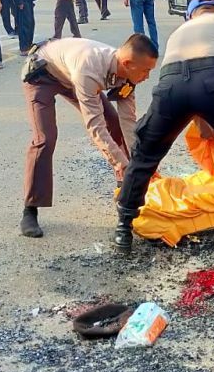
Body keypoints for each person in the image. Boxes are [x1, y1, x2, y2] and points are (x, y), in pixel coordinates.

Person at [113, 0, 214, 255]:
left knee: (145, 154)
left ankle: (123, 228)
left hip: (170, 87)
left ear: (191, 16)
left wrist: (208, 128)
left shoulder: (179, 32)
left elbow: (188, 88)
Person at [19, 34, 158, 238]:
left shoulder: (128, 73)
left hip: (72, 74)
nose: (147, 76)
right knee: (45, 139)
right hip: (43, 74)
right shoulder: (90, 69)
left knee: (114, 123)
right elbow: (95, 126)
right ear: (128, 63)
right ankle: (30, 209)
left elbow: (128, 121)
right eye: (146, 70)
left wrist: (137, 163)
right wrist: (122, 163)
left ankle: (124, 188)